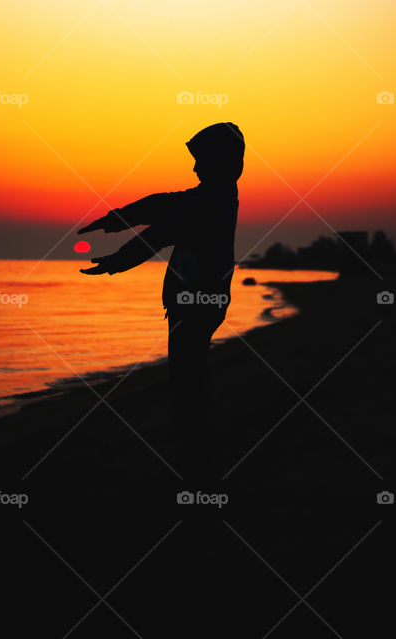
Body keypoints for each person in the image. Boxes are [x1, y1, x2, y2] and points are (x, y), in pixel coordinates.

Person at [78, 122, 245, 484]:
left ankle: (198, 479)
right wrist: (114, 221)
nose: (195, 168)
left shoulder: (212, 200)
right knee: (189, 386)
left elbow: (163, 230)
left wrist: (115, 262)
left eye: (201, 160)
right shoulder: (212, 195)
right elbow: (165, 204)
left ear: (219, 161)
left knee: (188, 389)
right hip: (198, 304)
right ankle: (197, 472)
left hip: (196, 306)